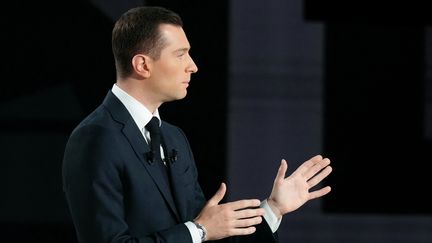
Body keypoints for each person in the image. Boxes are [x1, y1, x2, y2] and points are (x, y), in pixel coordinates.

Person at [62, 6, 332, 243]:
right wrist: (199, 230)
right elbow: (198, 231)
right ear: (143, 65)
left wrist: (273, 208)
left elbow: (208, 233)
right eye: (180, 55)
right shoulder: (95, 138)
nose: (193, 66)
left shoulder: (173, 137)